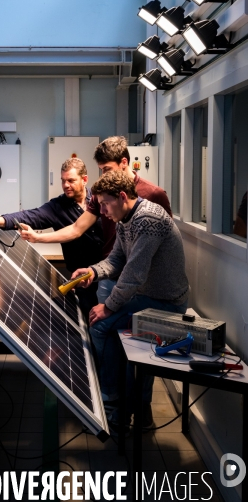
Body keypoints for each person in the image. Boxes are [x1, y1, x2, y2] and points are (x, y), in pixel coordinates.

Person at [72, 171, 189, 430]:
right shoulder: (127, 219)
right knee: (110, 330)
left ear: (122, 197)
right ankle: (121, 407)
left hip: (166, 303)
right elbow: (116, 260)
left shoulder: (148, 219)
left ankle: (111, 401)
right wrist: (92, 271)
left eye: (104, 203)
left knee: (101, 324)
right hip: (146, 298)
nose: (101, 211)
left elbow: (134, 273)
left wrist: (109, 306)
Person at [19, 136, 172, 303]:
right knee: (100, 326)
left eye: (107, 169)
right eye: (101, 170)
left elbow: (165, 243)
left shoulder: (154, 195)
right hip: (110, 272)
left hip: (142, 282)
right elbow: (76, 228)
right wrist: (37, 237)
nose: (105, 210)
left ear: (124, 162)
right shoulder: (102, 196)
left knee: (119, 325)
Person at [0, 157, 103, 317]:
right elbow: (29, 216)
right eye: (63, 181)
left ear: (84, 180)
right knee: (94, 323)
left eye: (71, 180)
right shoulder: (57, 207)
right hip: (83, 281)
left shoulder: (101, 200)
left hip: (110, 274)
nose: (65, 185)